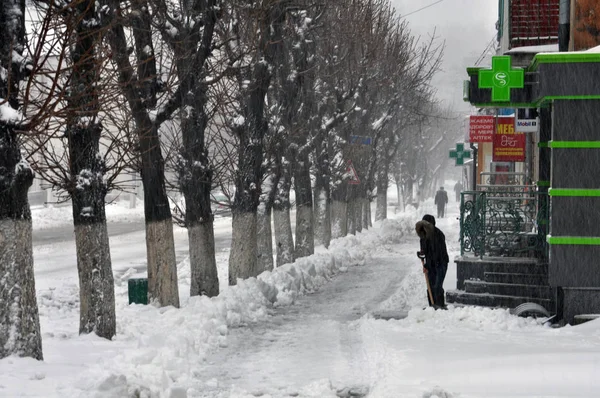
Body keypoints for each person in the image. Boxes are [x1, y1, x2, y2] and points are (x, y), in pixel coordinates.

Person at [415, 214, 449, 309]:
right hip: (431, 264)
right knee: (430, 286)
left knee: (437, 286)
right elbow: (425, 251)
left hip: (441, 263)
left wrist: (429, 263)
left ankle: (440, 306)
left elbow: (438, 252)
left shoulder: (439, 235)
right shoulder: (423, 236)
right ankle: (432, 306)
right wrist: (422, 254)